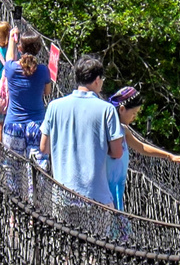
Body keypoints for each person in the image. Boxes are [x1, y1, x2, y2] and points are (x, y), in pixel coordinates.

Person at [39, 54, 124, 209]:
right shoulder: (107, 110)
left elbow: (44, 148)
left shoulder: (54, 106)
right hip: (96, 198)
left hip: (61, 196)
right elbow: (118, 152)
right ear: (97, 80)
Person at [105, 85, 180, 212]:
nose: (135, 117)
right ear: (122, 109)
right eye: (134, 113)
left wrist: (169, 156)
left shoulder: (124, 130)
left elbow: (142, 147)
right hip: (105, 195)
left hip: (117, 194)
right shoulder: (106, 130)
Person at [2, 28, 52, 198]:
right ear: (38, 49)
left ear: (20, 48)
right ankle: (34, 211)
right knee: (38, 170)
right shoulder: (44, 71)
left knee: (12, 169)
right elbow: (47, 92)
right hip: (37, 125)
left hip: (13, 125)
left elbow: (9, 58)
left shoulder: (10, 69)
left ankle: (14, 215)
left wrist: (11, 39)